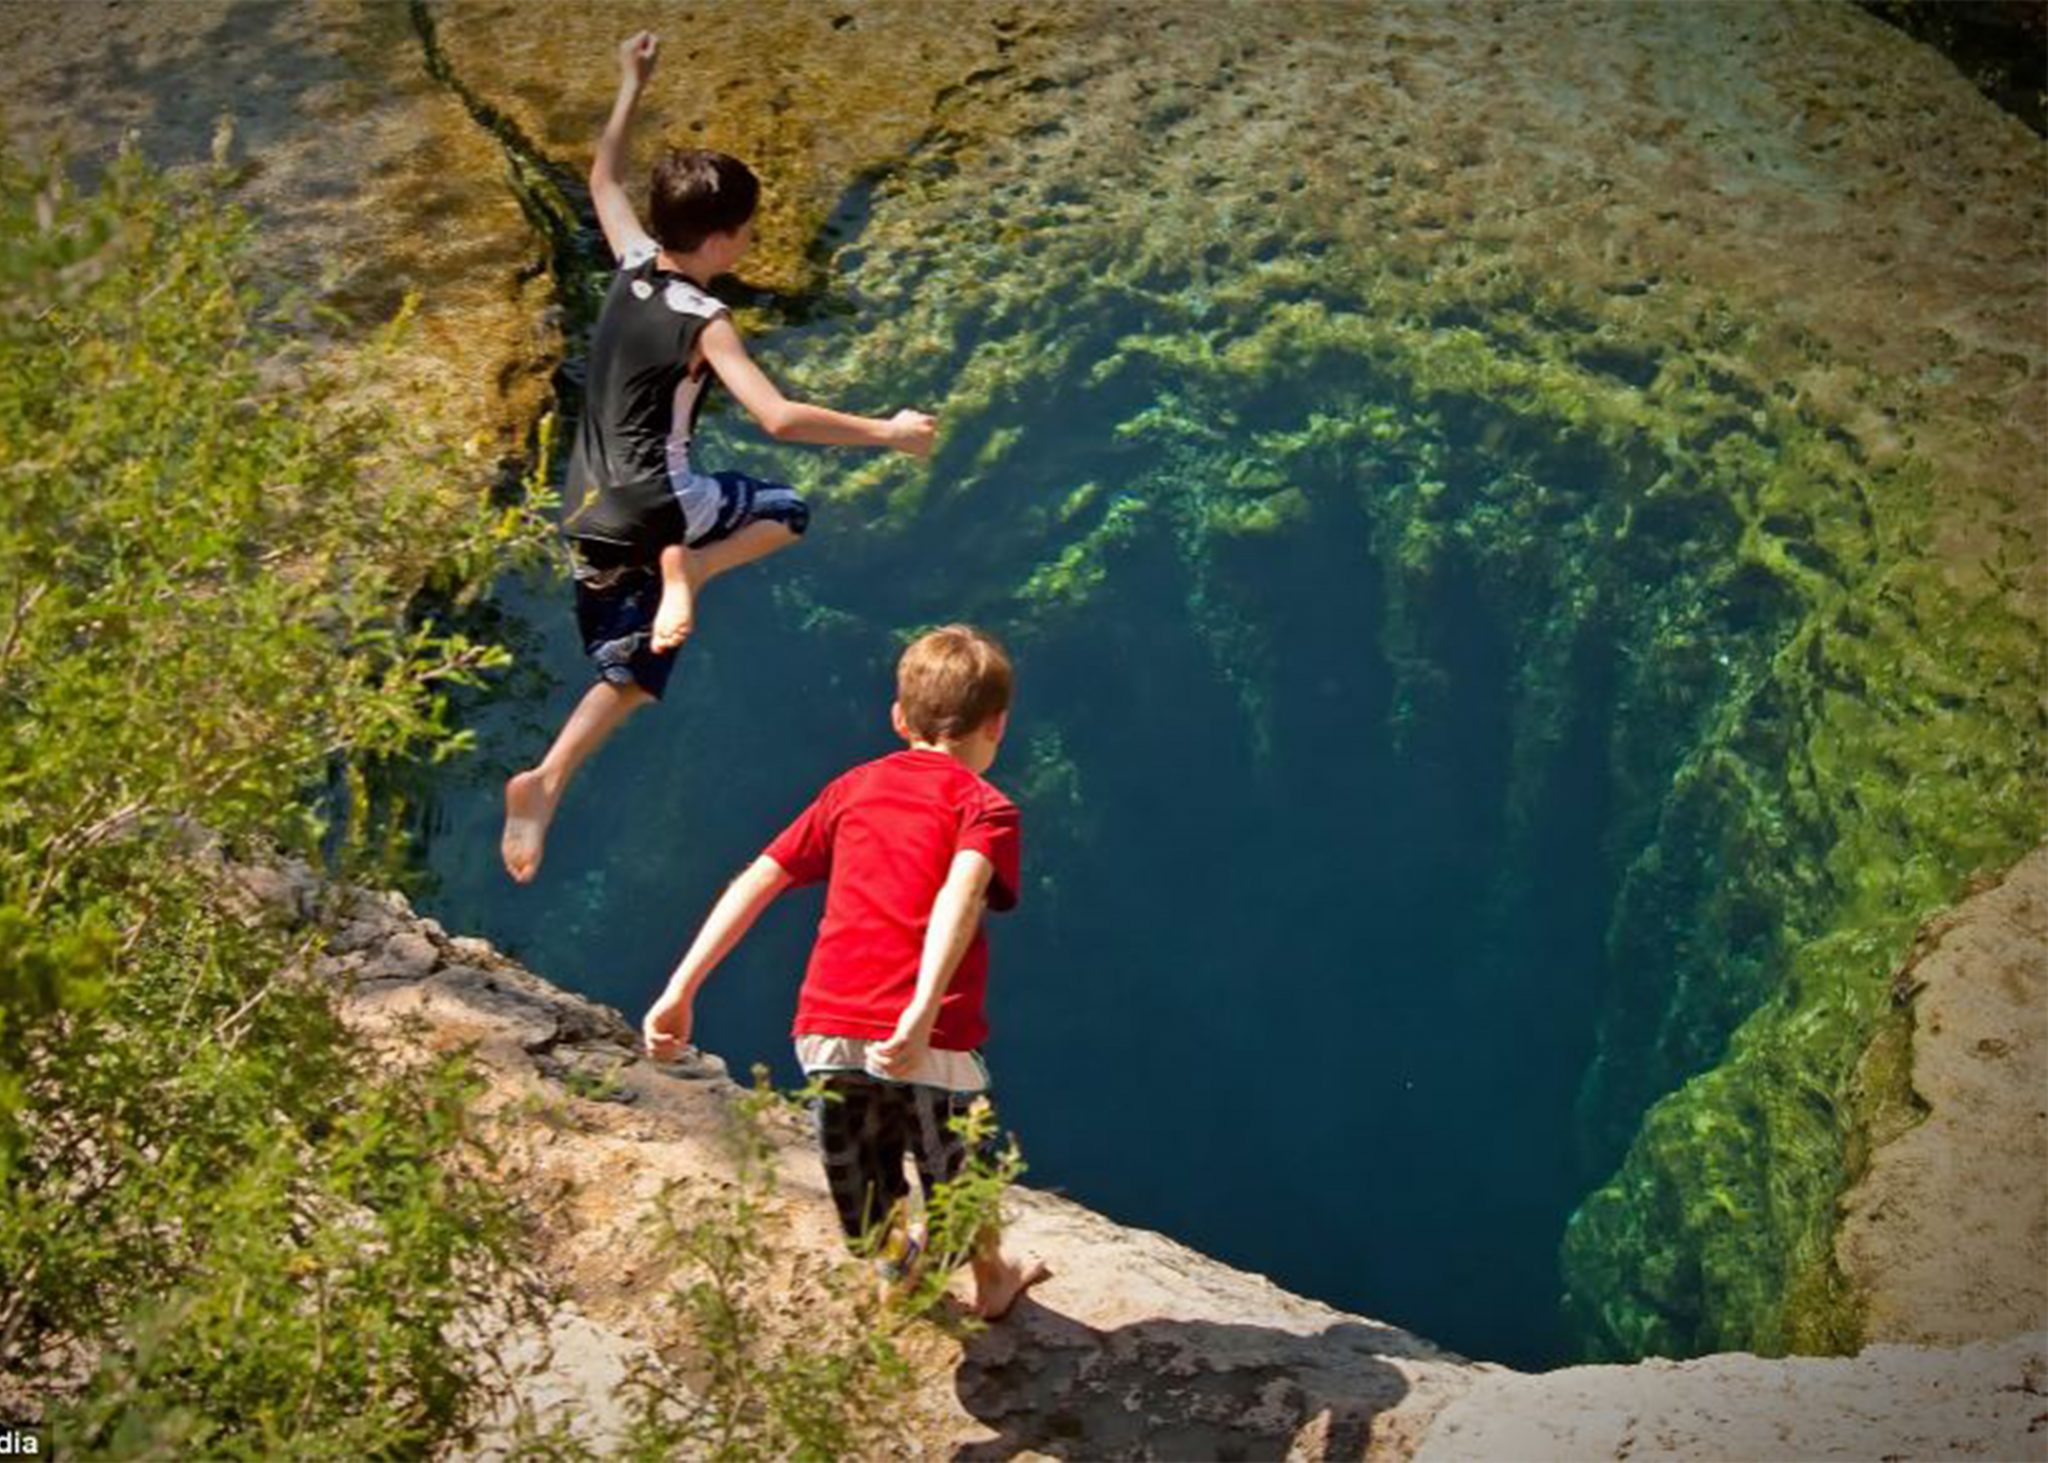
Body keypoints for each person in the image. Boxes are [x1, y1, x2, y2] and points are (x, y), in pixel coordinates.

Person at [502, 30, 937, 883]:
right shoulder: (707, 320)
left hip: (586, 511)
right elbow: (776, 417)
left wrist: (630, 82)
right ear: (722, 237)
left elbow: (601, 179)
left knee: (631, 667)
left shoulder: (631, 265)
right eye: (743, 235)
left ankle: (546, 778)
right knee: (785, 513)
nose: (745, 246)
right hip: (664, 503)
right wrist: (888, 431)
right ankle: (689, 572)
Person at [642, 625, 1050, 1319]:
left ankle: (912, 1270)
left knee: (865, 1186)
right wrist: (920, 1010)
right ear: (998, 725)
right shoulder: (987, 807)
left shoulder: (853, 788)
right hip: (929, 1039)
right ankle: (986, 1277)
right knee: (960, 1171)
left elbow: (759, 880)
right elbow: (962, 893)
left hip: (825, 1026)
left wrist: (679, 988)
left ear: (899, 718)